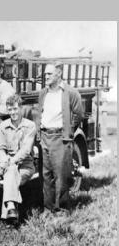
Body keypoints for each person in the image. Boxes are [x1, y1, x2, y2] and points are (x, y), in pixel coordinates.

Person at [39, 62, 83, 212]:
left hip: (60, 137)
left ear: (59, 73)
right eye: (45, 74)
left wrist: (68, 132)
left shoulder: (70, 92)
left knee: (61, 175)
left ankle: (62, 209)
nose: (46, 76)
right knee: (46, 175)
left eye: (49, 74)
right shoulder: (43, 92)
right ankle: (48, 208)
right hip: (44, 136)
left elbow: (78, 114)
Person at [0, 95, 37, 225]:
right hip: (7, 164)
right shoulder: (3, 126)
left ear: (21, 108)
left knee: (11, 173)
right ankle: (11, 210)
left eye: (15, 109)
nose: (13, 112)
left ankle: (10, 209)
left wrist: (11, 161)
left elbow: (26, 150)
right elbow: (0, 149)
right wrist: (4, 160)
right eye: (10, 110)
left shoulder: (30, 126)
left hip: (25, 165)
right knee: (11, 170)